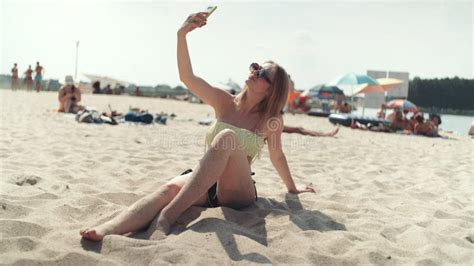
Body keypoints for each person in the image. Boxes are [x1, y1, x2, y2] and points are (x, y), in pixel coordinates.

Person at [80, 11, 314, 241]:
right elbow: (187, 78)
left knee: (227, 137)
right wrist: (182, 34)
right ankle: (109, 228)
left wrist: (292, 188)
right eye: (255, 66)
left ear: (272, 90)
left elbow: (278, 156)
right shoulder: (224, 102)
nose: (255, 71)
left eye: (262, 73)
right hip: (203, 182)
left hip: (237, 190)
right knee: (168, 188)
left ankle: (168, 216)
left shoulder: (270, 120)